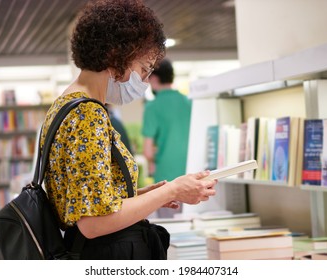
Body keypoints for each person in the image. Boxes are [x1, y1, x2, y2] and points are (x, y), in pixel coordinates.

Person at [40, 0, 216, 260]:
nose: (144, 83)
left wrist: (149, 196)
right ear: (117, 57)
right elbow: (94, 223)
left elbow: (89, 200)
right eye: (143, 70)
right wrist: (173, 190)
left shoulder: (67, 104)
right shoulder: (87, 114)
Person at [142, 58, 192, 218]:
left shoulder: (152, 106)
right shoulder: (188, 102)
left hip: (166, 178)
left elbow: (148, 151)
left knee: (170, 230)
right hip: (191, 173)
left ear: (154, 79)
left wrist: (157, 155)